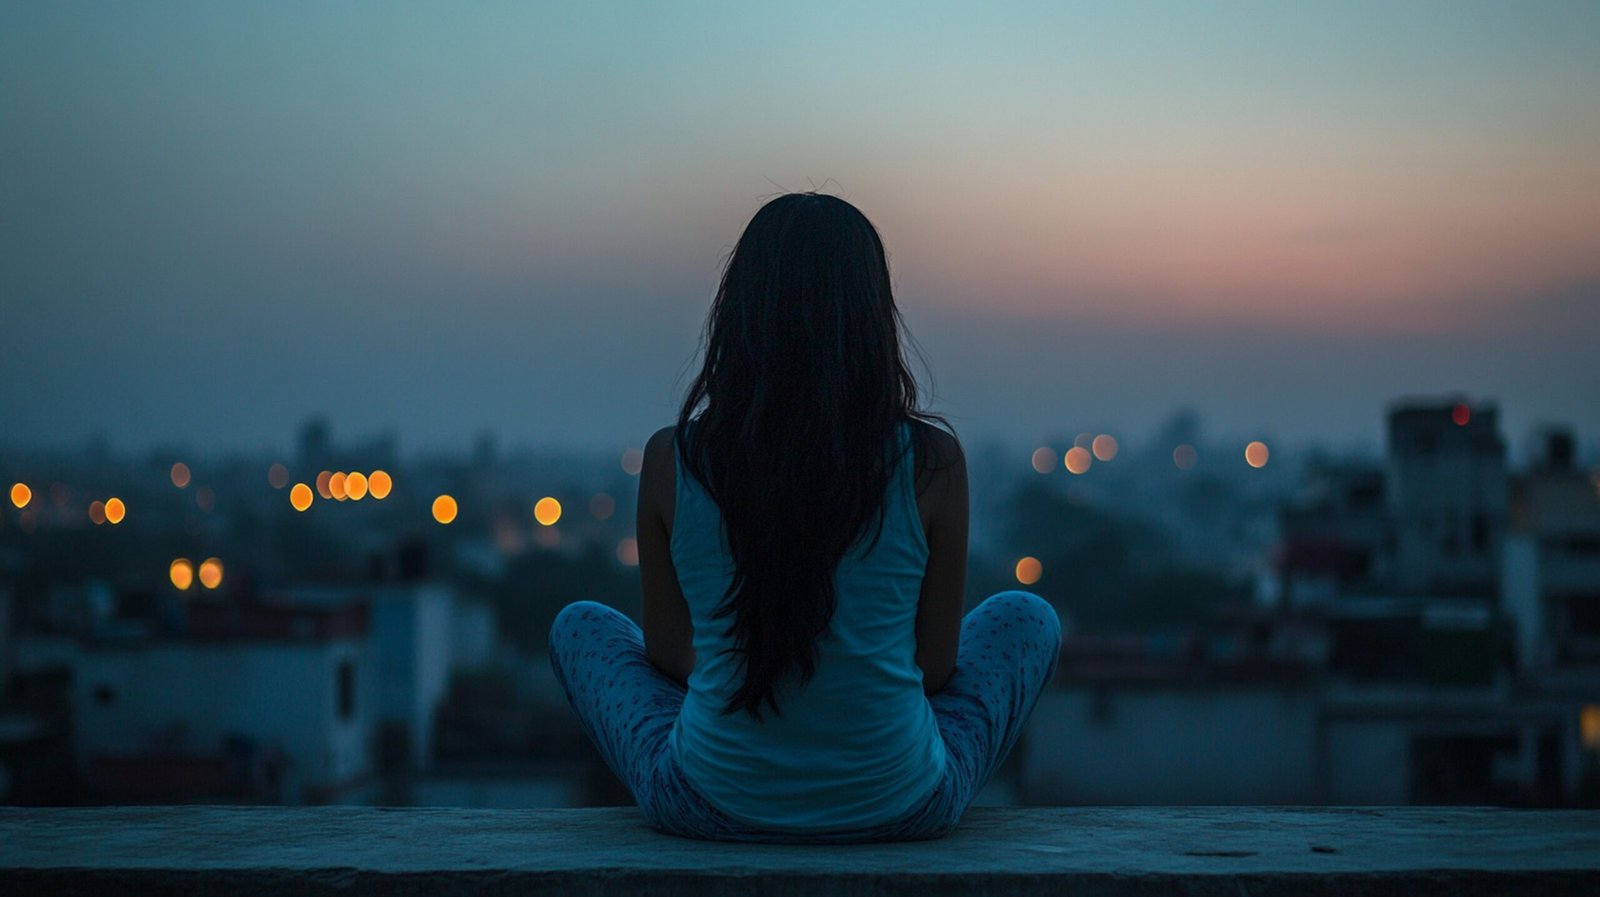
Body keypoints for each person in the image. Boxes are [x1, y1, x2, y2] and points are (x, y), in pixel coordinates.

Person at [549, 192, 1061, 842]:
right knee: (1027, 617)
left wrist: (758, 688)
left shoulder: (670, 460)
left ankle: (742, 751)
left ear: (739, 311)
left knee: (580, 627)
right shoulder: (933, 461)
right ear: (873, 315)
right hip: (899, 801)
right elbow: (934, 667)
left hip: (708, 800)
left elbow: (670, 652)